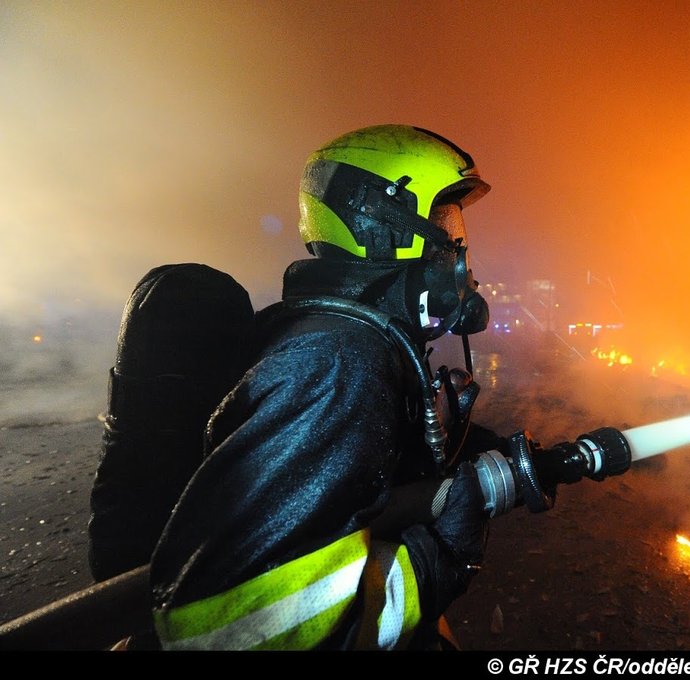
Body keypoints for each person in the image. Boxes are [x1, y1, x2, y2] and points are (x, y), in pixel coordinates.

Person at [150, 125, 500, 650]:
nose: (458, 253)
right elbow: (225, 631)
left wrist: (486, 449)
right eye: (447, 230)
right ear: (384, 227)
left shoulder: (352, 343)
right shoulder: (335, 363)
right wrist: (438, 558)